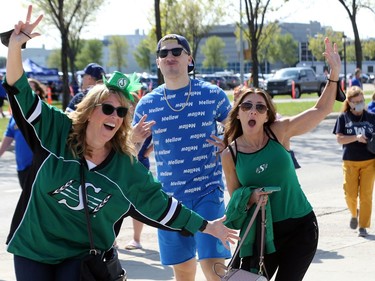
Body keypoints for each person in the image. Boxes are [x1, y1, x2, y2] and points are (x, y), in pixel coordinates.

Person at [1, 6, 238, 280]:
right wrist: (15, 47)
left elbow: (160, 206)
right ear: (90, 110)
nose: (115, 115)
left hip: (81, 253)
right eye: (108, 108)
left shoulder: (124, 166)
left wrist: (208, 226)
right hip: (35, 248)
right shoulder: (58, 133)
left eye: (122, 112)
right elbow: (21, 94)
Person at [213, 37, 341, 281]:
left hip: (301, 227)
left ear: (266, 116)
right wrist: (249, 196)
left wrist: (333, 73)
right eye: (247, 106)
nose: (253, 110)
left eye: (260, 108)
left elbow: (320, 110)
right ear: (238, 113)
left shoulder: (279, 132)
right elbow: (237, 200)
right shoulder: (230, 154)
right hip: (262, 234)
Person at [133, 33, 232, 281]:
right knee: (184, 271)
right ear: (157, 62)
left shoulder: (212, 95)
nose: (170, 57)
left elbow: (237, 130)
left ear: (189, 59)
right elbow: (130, 153)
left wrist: (228, 142)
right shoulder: (147, 104)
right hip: (168, 200)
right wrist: (132, 139)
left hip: (207, 192)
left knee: (213, 265)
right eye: (163, 53)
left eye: (176, 52)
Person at [333, 86, 375, 238]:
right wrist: (356, 138)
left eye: (362, 101)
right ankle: (354, 213)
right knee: (350, 195)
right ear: (349, 103)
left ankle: (363, 226)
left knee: (366, 196)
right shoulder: (343, 118)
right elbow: (339, 139)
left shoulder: (371, 117)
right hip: (350, 161)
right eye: (356, 101)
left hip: (369, 162)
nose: (360, 104)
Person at [0, 78, 45, 190]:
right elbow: (8, 137)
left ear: (37, 92)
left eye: (30, 87)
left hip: (39, 165)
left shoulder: (44, 113)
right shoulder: (15, 115)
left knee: (34, 202)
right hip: (22, 166)